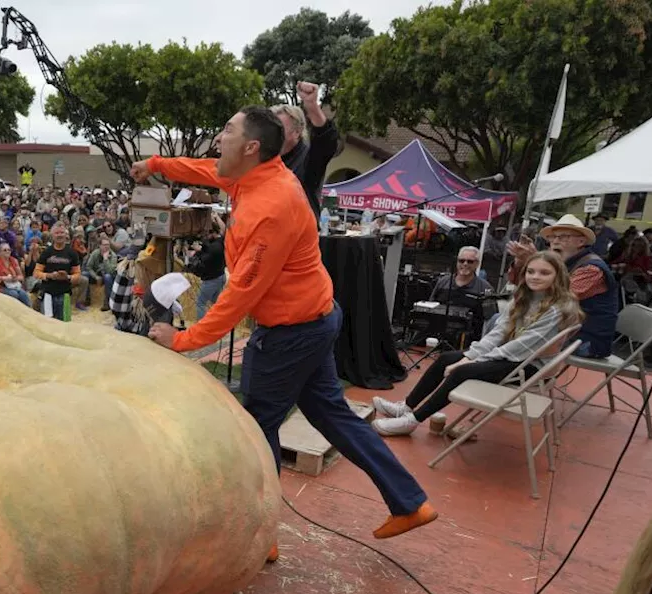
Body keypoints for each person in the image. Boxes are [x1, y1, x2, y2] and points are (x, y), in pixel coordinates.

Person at [135, 106, 435, 558]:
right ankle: (410, 502)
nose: (219, 137)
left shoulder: (270, 207)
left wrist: (181, 340)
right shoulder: (254, 175)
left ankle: (262, 537)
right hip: (313, 318)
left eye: (227, 131)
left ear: (252, 147)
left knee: (256, 426)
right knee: (332, 415)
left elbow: (241, 295)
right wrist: (157, 165)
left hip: (292, 332)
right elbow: (206, 170)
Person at [373, 252, 582, 436]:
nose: (535, 277)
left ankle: (413, 420)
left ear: (558, 276)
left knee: (460, 372)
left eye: (544, 273)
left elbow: (521, 347)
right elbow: (498, 333)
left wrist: (469, 363)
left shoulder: (556, 308)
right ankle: (407, 406)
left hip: (529, 367)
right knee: (446, 358)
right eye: (531, 271)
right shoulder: (523, 297)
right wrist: (470, 356)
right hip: (513, 357)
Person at [506, 214, 618, 359]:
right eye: (553, 237)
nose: (555, 242)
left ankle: (500, 373)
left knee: (511, 331)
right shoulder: (562, 264)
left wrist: (535, 261)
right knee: (504, 322)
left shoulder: (592, 269)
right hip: (562, 331)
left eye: (563, 237)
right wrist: (521, 262)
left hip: (586, 341)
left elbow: (556, 298)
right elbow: (519, 283)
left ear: (581, 241)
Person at [274, 82, 341, 216]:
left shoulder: (307, 160)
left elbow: (325, 141)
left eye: (279, 128)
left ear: (297, 132)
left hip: (298, 233)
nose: (272, 132)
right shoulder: (264, 158)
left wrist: (312, 106)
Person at [33, 224, 82, 321]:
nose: (59, 235)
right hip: (47, 293)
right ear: (52, 235)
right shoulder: (46, 252)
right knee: (48, 322)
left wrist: (67, 277)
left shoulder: (72, 253)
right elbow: (36, 272)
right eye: (56, 233)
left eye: (62, 233)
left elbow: (78, 275)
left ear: (66, 235)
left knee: (64, 322)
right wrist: (50, 275)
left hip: (64, 293)